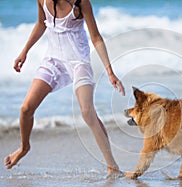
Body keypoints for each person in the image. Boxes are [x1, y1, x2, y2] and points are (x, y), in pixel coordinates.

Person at [3, 0, 125, 177]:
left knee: (87, 111)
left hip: (78, 61)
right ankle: (24, 147)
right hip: (53, 61)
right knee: (26, 109)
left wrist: (110, 72)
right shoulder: (42, 0)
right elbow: (40, 23)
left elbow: (96, 37)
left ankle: (112, 166)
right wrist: (24, 52)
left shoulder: (81, 3)